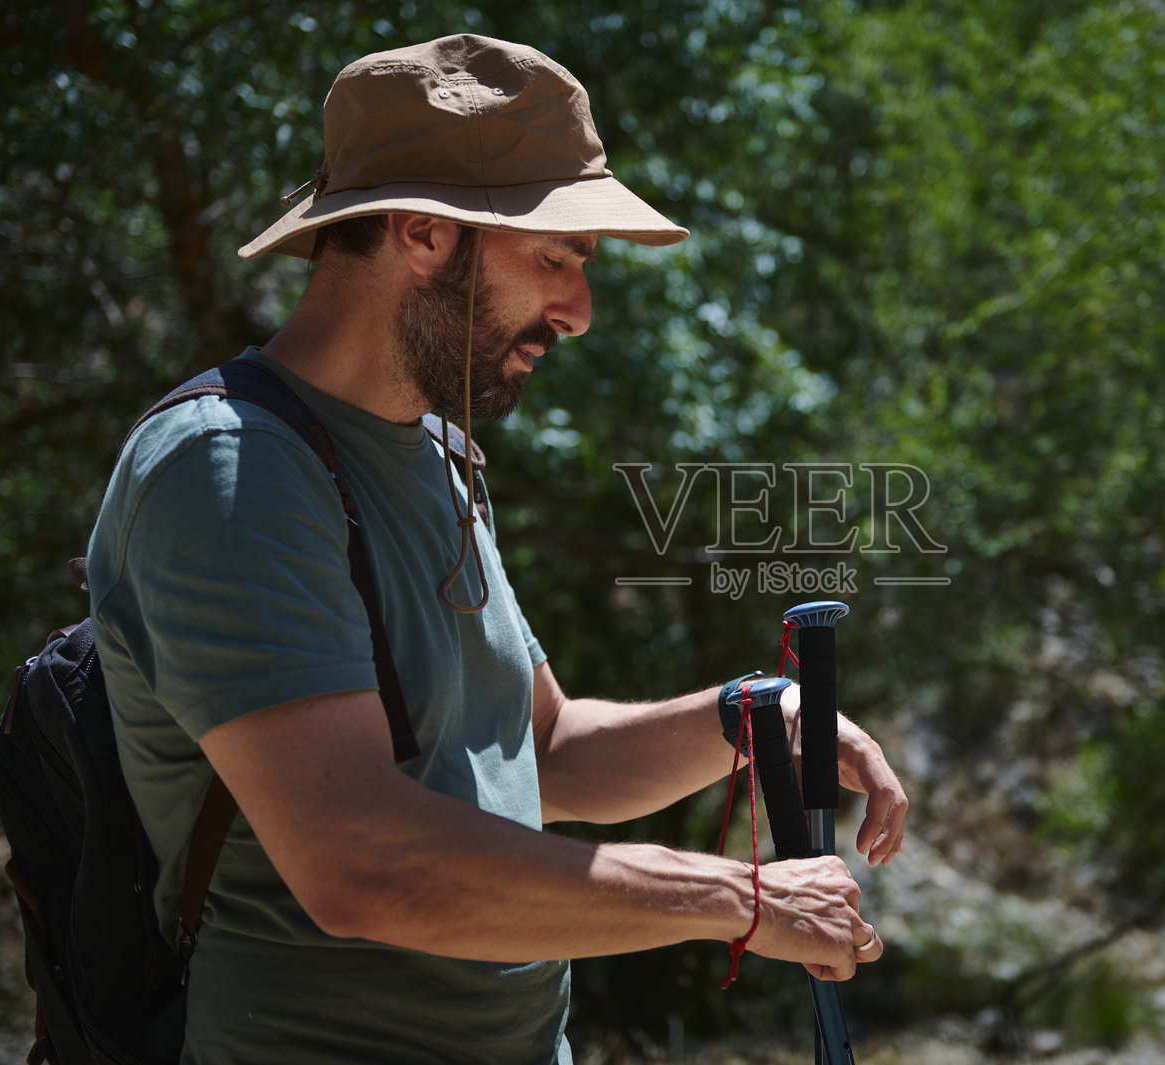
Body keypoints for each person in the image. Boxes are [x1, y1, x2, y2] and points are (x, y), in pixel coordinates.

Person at [86, 33, 908, 1065]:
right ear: (423, 233)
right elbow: (362, 864)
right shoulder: (231, 472)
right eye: (554, 257)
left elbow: (542, 755)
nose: (578, 311)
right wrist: (736, 899)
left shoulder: (436, 451)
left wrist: (745, 718)